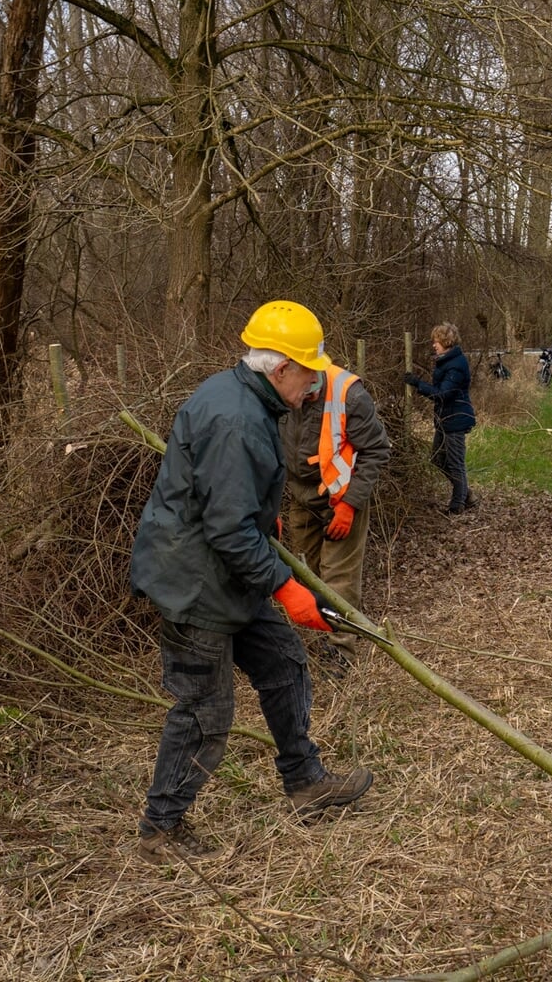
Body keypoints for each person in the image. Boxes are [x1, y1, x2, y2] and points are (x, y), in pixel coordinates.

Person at [129, 300, 374, 861]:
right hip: (195, 582)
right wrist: (285, 586)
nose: (315, 383)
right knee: (204, 713)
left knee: (283, 664)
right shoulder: (237, 418)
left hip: (227, 572)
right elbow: (228, 530)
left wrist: (266, 520)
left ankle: (306, 783)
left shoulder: (244, 397)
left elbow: (230, 504)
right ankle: (159, 831)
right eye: (310, 371)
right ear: (281, 367)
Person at [281, 351, 391, 613]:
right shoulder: (279, 387)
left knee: (338, 582)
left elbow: (377, 449)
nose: (308, 398)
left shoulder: (349, 394)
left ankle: (339, 650)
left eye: (312, 392)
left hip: (342, 497)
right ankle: (314, 641)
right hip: (301, 495)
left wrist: (350, 505)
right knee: (304, 571)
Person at [406, 322, 477, 514]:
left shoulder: (456, 365)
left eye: (436, 341)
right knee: (437, 458)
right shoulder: (446, 361)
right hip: (445, 420)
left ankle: (457, 505)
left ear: (446, 341)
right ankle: (465, 493)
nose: (433, 344)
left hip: (456, 419)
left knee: (455, 463)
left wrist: (418, 384)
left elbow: (443, 394)